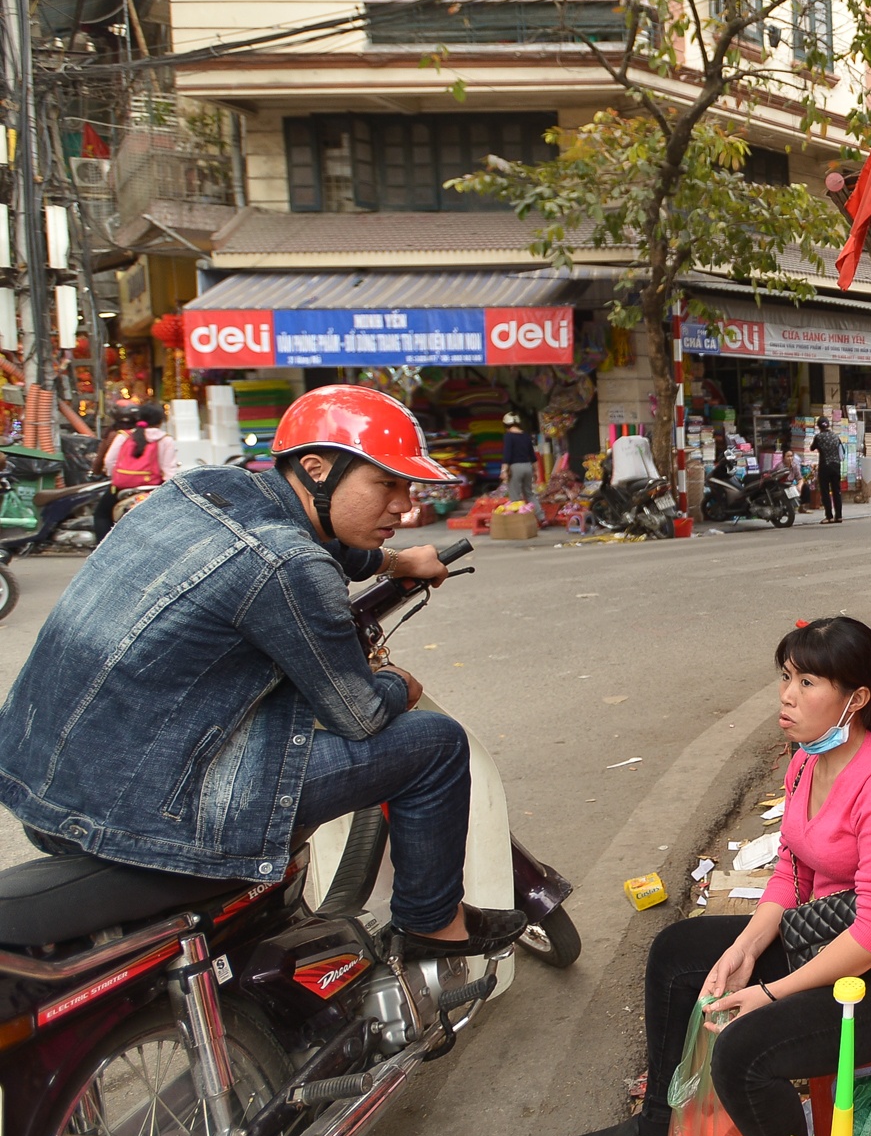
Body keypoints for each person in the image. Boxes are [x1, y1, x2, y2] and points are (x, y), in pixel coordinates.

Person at [0, 385, 526, 958]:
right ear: (316, 468)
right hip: (142, 809)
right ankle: (432, 926)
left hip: (43, 782)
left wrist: (400, 560)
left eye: (407, 486)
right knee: (436, 744)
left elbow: (321, 542)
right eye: (387, 484)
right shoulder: (289, 564)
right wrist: (400, 684)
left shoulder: (202, 489)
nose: (405, 505)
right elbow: (360, 714)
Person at [564, 617, 871, 1136]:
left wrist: (771, 994)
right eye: (787, 676)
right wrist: (748, 947)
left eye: (808, 683)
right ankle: (657, 1129)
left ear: (857, 698)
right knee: (676, 953)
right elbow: (793, 868)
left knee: (744, 1052)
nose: (787, 696)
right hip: (824, 932)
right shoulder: (805, 761)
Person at [92, 401, 177, 539]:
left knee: (101, 515)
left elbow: (109, 461)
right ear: (161, 421)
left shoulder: (124, 436)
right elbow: (169, 469)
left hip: (122, 487)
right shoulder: (165, 439)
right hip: (153, 487)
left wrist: (116, 478)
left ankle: (102, 548)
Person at [811, 416, 844, 523]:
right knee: (837, 491)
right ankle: (839, 516)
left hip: (825, 466)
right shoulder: (835, 436)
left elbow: (812, 448)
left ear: (819, 426)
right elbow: (841, 451)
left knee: (825, 491)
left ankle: (829, 516)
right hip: (836, 466)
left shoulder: (818, 437)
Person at [500, 411, 537, 505]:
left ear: (506, 425)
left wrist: (504, 471)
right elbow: (532, 456)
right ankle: (541, 517)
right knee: (529, 495)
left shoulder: (508, 436)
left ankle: (518, 518)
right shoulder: (526, 436)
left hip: (515, 468)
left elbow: (507, 455)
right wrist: (536, 471)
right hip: (527, 467)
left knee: (515, 496)